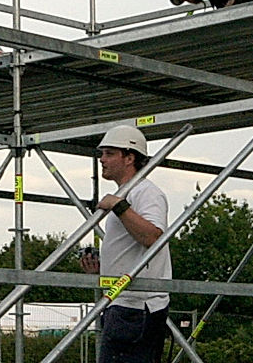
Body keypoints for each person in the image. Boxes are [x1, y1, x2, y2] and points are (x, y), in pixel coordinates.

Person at [80, 126, 171, 363]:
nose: (102, 159)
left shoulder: (146, 193)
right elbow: (131, 250)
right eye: (102, 153)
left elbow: (152, 237)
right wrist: (102, 272)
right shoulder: (127, 194)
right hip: (123, 304)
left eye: (110, 153)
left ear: (130, 157)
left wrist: (119, 207)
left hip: (136, 308)